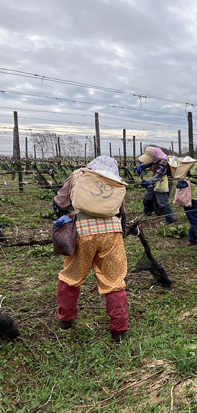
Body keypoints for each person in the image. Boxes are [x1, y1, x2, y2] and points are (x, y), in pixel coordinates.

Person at [52, 156, 129, 343]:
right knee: (114, 281)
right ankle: (118, 331)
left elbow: (58, 203)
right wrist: (121, 232)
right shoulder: (117, 183)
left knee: (71, 276)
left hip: (83, 232)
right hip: (111, 232)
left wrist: (66, 220)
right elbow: (121, 214)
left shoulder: (78, 175)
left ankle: (66, 320)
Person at [137, 146, 176, 224]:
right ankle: (147, 212)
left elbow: (158, 176)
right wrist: (142, 166)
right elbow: (151, 163)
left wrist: (148, 182)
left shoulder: (163, 163)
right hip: (157, 182)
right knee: (148, 196)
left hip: (164, 183)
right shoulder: (157, 159)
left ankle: (170, 218)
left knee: (162, 201)